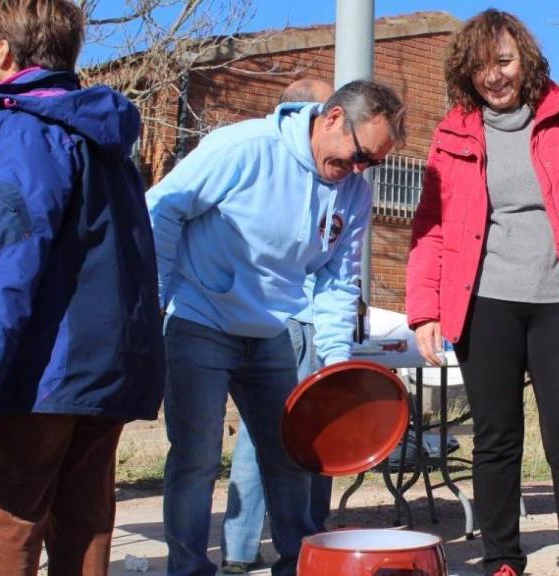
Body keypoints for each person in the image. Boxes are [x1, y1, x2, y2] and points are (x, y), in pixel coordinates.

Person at [147, 79, 405, 576]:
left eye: (373, 163)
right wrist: (154, 302)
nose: (359, 170)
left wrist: (337, 365)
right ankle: (188, 568)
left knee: (293, 455)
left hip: (271, 331)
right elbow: (161, 208)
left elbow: (336, 283)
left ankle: (301, 565)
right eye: (358, 156)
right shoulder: (244, 149)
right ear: (331, 118)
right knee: (197, 458)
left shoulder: (352, 193)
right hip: (200, 318)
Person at [406, 9, 559, 576]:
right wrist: (424, 310)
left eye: (503, 61)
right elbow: (430, 224)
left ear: (524, 59)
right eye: (481, 66)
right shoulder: (452, 130)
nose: (494, 76)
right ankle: (502, 557)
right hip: (484, 303)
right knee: (495, 437)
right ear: (467, 72)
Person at [0, 1, 165, 574]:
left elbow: (6, 272)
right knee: (86, 519)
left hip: (33, 374)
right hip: (101, 372)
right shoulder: (99, 133)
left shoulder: (19, 130)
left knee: (12, 518)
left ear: (2, 51)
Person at [219, 76, 336, 575]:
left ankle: (242, 547)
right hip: (295, 319)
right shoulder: (284, 166)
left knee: (261, 433)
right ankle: (305, 540)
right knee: (305, 430)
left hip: (287, 316)